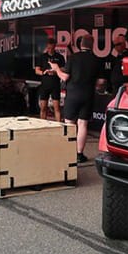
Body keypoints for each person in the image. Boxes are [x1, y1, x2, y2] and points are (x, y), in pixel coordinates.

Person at [49, 33, 103, 164]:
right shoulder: (97, 60)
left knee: (69, 124)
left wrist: (56, 69)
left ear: (80, 44)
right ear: (93, 45)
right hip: (88, 95)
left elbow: (65, 77)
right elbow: (101, 82)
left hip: (73, 95)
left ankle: (68, 152)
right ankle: (79, 154)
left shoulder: (73, 58)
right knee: (83, 124)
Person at [34, 37, 64, 122]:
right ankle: (43, 125)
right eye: (49, 48)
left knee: (57, 108)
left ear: (55, 46)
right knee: (43, 107)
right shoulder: (42, 57)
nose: (50, 50)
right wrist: (45, 72)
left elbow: (64, 69)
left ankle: (59, 126)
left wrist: (56, 71)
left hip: (55, 85)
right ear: (47, 46)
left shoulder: (60, 57)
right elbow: (37, 70)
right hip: (45, 85)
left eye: (52, 48)